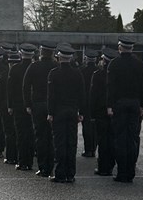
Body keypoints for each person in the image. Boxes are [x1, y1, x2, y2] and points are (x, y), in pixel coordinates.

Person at [106, 37, 143, 183]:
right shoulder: (139, 64)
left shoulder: (114, 64)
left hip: (120, 103)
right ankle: (131, 170)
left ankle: (122, 171)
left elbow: (111, 87)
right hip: (135, 103)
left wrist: (109, 105)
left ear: (120, 48)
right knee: (133, 138)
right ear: (132, 48)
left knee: (120, 139)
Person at [47, 43, 86, 183]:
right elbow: (82, 94)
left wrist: (50, 112)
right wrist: (81, 111)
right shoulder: (77, 73)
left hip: (58, 111)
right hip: (72, 111)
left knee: (59, 143)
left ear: (58, 57)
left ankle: (60, 173)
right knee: (71, 142)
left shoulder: (54, 73)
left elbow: (51, 96)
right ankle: (71, 173)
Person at [23, 41, 57, 177]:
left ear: (41, 52)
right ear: (53, 53)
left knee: (41, 137)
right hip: (53, 106)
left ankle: (43, 167)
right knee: (52, 137)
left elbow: (25, 86)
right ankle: (51, 166)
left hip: (37, 104)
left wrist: (28, 104)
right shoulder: (56, 66)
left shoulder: (34, 66)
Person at [8, 43, 37, 171]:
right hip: (33, 104)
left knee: (20, 134)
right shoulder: (36, 67)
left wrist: (10, 105)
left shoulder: (14, 69)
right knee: (31, 134)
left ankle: (22, 161)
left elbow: (10, 89)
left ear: (21, 54)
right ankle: (30, 161)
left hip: (18, 105)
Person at [90, 48, 118, 176]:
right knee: (112, 139)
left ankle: (103, 167)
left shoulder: (98, 74)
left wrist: (92, 113)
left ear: (104, 61)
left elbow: (93, 95)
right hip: (114, 110)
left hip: (100, 111)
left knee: (102, 140)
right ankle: (111, 165)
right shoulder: (118, 74)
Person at [80, 49, 98, 158]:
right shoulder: (98, 71)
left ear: (86, 59)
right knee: (95, 127)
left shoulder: (82, 71)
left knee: (86, 127)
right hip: (96, 102)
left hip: (85, 102)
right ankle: (93, 148)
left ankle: (88, 149)